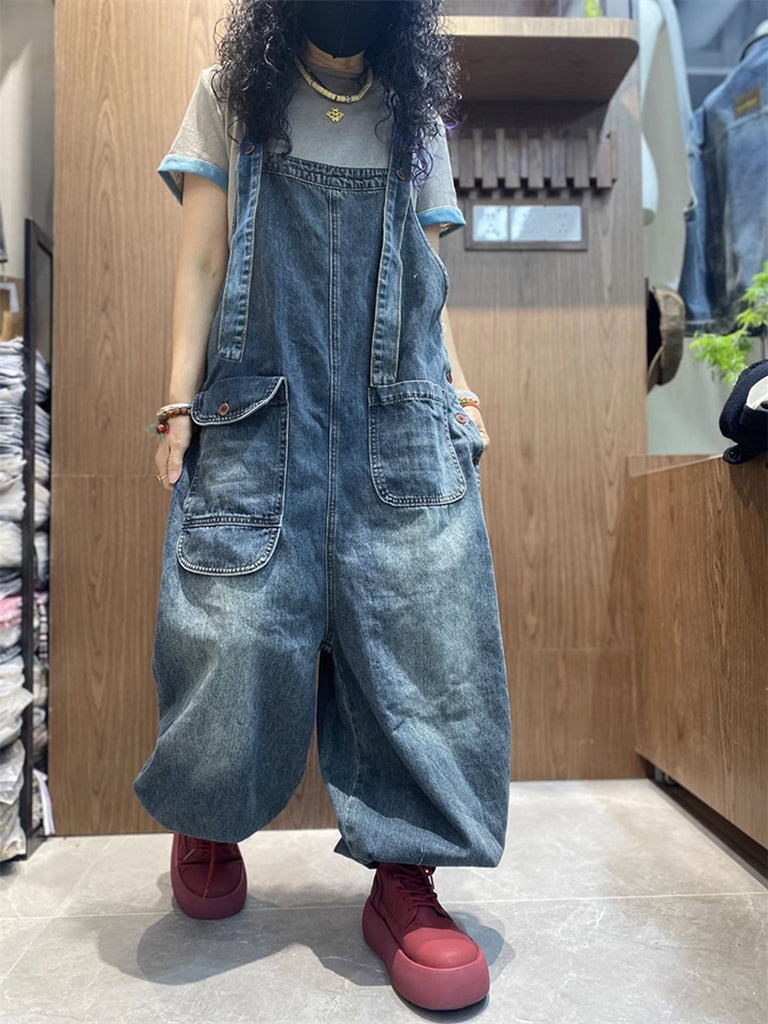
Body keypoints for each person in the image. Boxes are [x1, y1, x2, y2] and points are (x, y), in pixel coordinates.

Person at [133, 0, 512, 1011]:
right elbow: (203, 259)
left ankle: (406, 876)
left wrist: (462, 395)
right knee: (231, 631)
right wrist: (178, 404)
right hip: (261, 417)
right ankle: (208, 818)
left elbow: (429, 290)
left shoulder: (415, 115)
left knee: (422, 641)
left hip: (399, 420)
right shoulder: (231, 98)